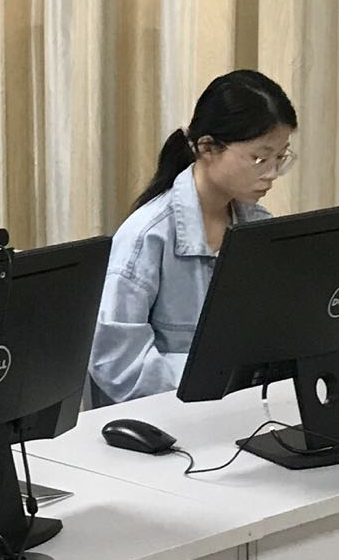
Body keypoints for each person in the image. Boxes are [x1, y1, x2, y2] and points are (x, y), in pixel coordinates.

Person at [89, 69, 299, 405]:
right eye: (259, 158)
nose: (271, 174)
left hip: (233, 408)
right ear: (208, 147)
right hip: (162, 416)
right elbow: (117, 364)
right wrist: (219, 378)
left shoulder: (257, 226)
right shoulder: (147, 236)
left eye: (280, 157)